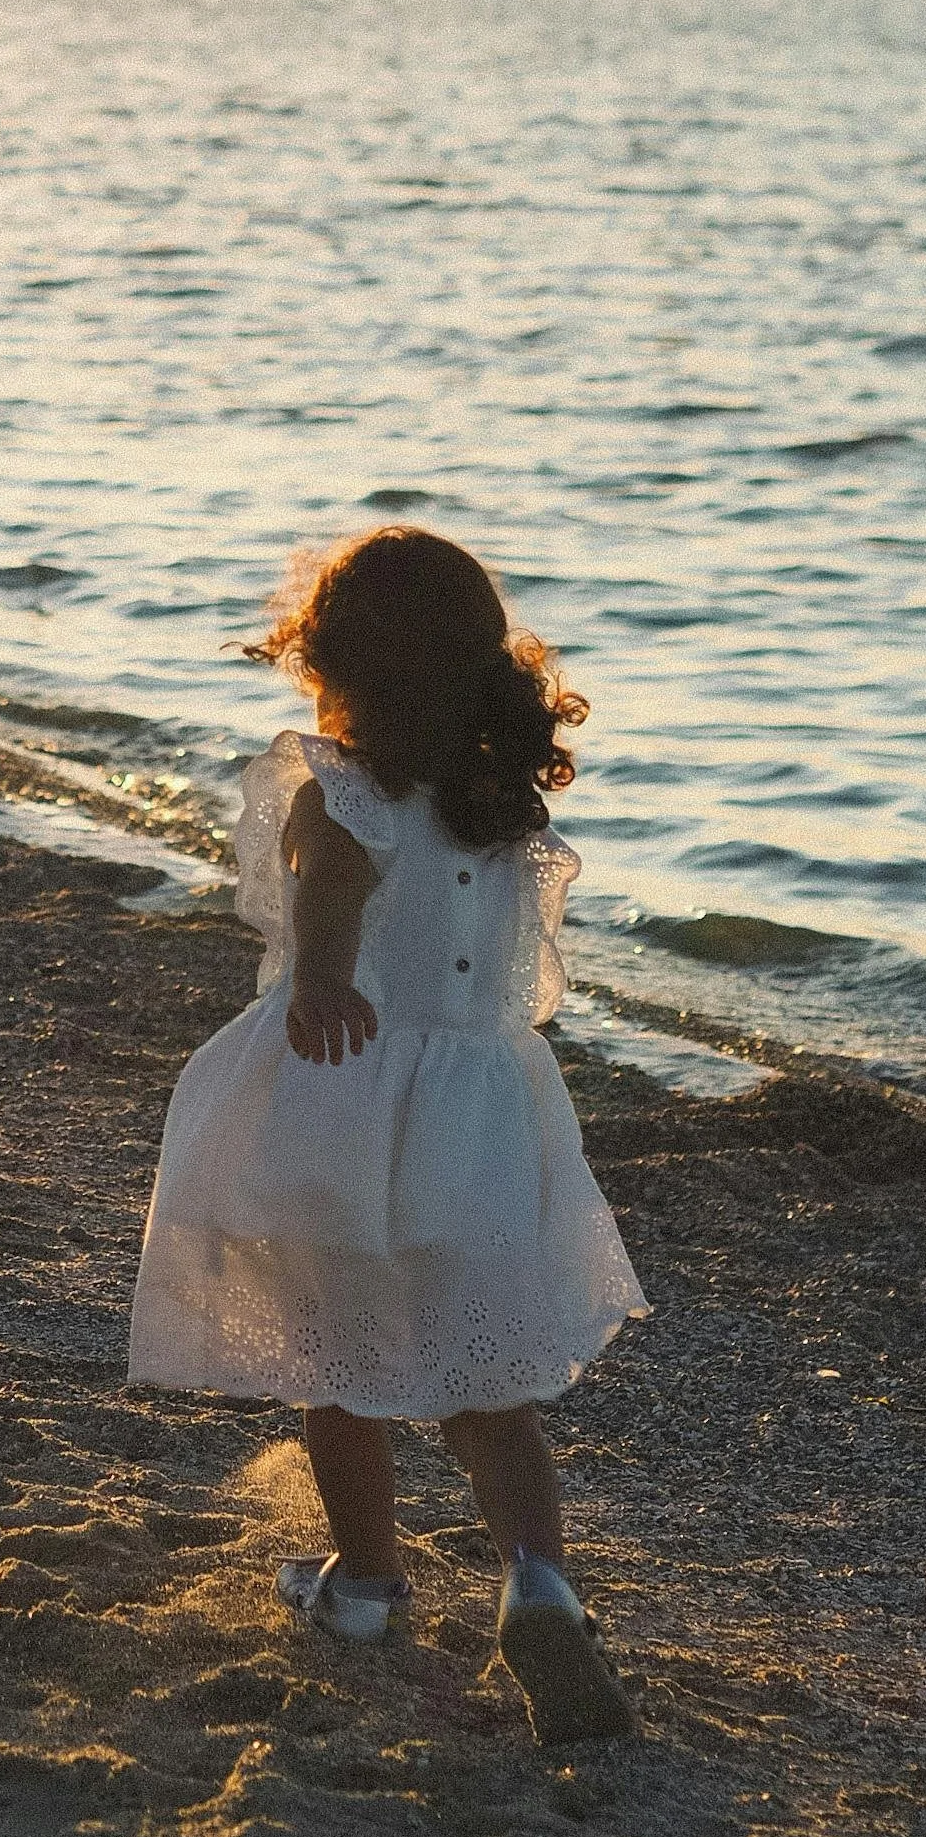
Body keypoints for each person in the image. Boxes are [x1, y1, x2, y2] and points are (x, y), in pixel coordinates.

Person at [129, 528, 648, 1744]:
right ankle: (537, 1579)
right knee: (492, 1393)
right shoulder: (497, 807)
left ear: (332, 662)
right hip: (481, 1123)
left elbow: (329, 887)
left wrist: (318, 980)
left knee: (340, 1368)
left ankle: (364, 1586)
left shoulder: (339, 788)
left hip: (348, 1097)